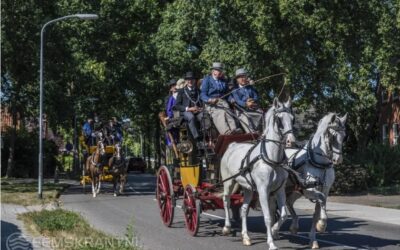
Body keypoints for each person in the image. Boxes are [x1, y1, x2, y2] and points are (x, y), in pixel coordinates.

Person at [200, 62, 241, 135]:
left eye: (221, 70)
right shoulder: (207, 80)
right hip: (211, 104)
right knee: (220, 113)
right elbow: (203, 94)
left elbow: (226, 94)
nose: (220, 72)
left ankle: (234, 129)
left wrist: (231, 99)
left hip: (222, 101)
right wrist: (210, 100)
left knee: (228, 111)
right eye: (218, 70)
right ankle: (226, 132)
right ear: (213, 71)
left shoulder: (223, 81)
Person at [174, 72, 210, 146]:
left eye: (191, 79)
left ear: (194, 80)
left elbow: (202, 102)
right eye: (188, 79)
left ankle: (206, 137)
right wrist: (188, 109)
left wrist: (201, 108)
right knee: (191, 116)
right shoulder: (181, 91)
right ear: (186, 81)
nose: (190, 81)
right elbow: (177, 105)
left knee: (205, 115)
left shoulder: (198, 91)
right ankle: (197, 139)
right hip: (186, 112)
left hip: (198, 111)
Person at [231, 68, 263, 133]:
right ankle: (251, 133)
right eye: (240, 77)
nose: (243, 79)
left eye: (244, 77)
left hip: (253, 108)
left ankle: (263, 132)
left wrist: (252, 100)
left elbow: (256, 96)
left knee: (262, 114)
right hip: (241, 110)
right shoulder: (235, 90)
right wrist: (246, 104)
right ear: (237, 80)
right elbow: (238, 101)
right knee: (245, 117)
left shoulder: (250, 87)